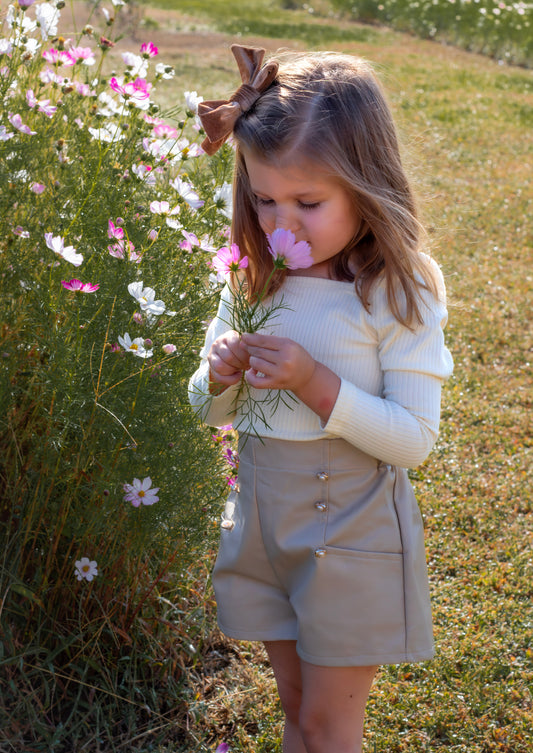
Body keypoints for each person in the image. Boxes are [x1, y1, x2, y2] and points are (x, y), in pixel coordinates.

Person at [188, 44, 453, 753]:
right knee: (296, 705)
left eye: (308, 202)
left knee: (329, 723)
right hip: (265, 518)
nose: (282, 224)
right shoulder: (253, 272)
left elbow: (412, 439)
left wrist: (313, 380)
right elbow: (205, 409)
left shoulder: (397, 287)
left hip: (350, 527)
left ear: (366, 185)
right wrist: (218, 373)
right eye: (264, 198)